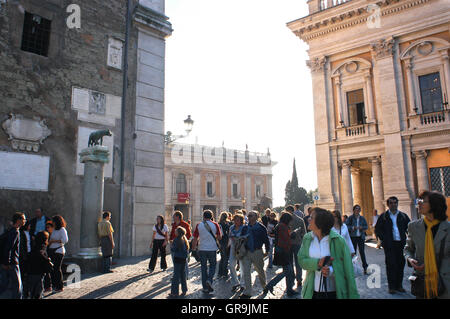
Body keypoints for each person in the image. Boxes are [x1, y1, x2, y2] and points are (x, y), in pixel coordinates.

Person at [298, 207, 359, 299]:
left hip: (334, 291)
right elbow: (301, 260)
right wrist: (318, 263)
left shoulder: (338, 241)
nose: (308, 219)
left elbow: (347, 268)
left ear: (320, 223)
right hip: (312, 291)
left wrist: (331, 271)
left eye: (311, 217)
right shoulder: (307, 238)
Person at [404, 191, 449, 299]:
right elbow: (408, 249)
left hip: (445, 282)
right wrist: (410, 259)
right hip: (422, 281)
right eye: (418, 201)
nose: (418, 203)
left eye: (422, 201)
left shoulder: (448, 228)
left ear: (434, 205)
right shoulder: (413, 227)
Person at [375, 196, 411, 294]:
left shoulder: (403, 216)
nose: (393, 204)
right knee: (391, 265)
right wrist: (384, 240)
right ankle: (392, 287)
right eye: (391, 203)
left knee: (400, 264)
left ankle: (399, 285)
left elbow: (410, 228)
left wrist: (409, 240)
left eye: (395, 202)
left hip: (401, 244)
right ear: (388, 204)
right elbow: (378, 230)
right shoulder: (384, 217)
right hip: (390, 245)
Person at [263, 212, 297, 296]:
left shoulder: (280, 225)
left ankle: (289, 290)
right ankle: (270, 285)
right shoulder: (282, 226)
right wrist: (292, 235)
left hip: (281, 250)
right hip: (284, 251)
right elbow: (285, 239)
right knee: (287, 271)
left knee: (288, 272)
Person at [240, 210, 270, 299]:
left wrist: (267, 251)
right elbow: (241, 239)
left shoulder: (261, 227)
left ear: (256, 217)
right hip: (247, 252)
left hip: (257, 251)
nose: (248, 217)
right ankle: (248, 291)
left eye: (251, 216)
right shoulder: (245, 228)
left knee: (260, 270)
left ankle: (264, 286)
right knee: (246, 272)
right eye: (248, 216)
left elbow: (266, 240)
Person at [192, 210, 222, 294]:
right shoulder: (215, 224)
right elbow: (220, 237)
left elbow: (195, 239)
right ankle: (209, 280)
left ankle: (205, 287)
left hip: (202, 249)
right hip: (212, 249)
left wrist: (193, 249)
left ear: (203, 216)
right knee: (213, 266)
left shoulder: (199, 225)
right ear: (211, 216)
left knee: (203, 267)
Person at [0, 212, 26, 299]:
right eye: (23, 219)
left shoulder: (10, 230)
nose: (25, 221)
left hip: (7, 262)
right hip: (12, 263)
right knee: (17, 286)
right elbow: (9, 247)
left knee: (4, 283)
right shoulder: (15, 232)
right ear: (18, 220)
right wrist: (7, 262)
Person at [285, 205, 306, 289]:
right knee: (298, 262)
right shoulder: (300, 219)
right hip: (298, 243)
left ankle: (291, 279)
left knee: (289, 262)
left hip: (288, 244)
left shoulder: (286, 221)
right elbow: (304, 232)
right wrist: (300, 238)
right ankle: (299, 279)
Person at [27, 231, 53, 299]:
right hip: (38, 273)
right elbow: (41, 256)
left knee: (31, 292)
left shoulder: (34, 246)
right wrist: (48, 260)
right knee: (38, 293)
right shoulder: (42, 247)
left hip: (31, 272)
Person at [47, 215, 68, 292]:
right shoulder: (54, 230)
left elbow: (65, 240)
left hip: (58, 250)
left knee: (57, 268)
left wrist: (54, 241)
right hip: (52, 250)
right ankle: (54, 284)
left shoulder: (62, 230)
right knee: (52, 269)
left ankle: (60, 286)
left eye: (54, 221)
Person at [345, 205, 369, 274]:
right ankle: (353, 267)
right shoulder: (350, 218)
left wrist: (362, 228)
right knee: (353, 253)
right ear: (354, 210)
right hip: (353, 237)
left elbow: (366, 226)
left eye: (359, 209)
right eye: (356, 209)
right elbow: (346, 226)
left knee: (362, 252)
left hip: (361, 237)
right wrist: (353, 228)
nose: (357, 210)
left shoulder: (362, 218)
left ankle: (365, 267)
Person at [228, 213, 247, 293]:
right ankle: (235, 282)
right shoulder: (231, 227)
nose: (236, 221)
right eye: (234, 220)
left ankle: (243, 284)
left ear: (241, 221)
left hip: (242, 248)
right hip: (233, 247)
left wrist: (240, 239)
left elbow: (247, 237)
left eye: (237, 220)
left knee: (243, 266)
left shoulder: (244, 228)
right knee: (231, 265)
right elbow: (229, 237)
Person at [169, 211, 192, 278]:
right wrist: (170, 241)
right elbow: (172, 234)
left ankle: (185, 275)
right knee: (175, 261)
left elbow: (189, 235)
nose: (173, 217)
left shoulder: (185, 224)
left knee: (184, 262)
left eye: (174, 216)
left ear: (178, 217)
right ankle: (176, 275)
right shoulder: (173, 225)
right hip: (174, 245)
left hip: (182, 246)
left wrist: (183, 241)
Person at [169, 226, 189, 298]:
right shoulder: (185, 239)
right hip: (183, 259)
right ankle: (184, 289)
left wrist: (171, 245)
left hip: (177, 259)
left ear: (178, 233)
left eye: (176, 231)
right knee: (183, 275)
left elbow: (173, 249)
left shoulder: (176, 240)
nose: (175, 232)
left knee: (176, 276)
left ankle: (174, 292)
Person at [19, 221, 32, 298]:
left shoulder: (29, 233)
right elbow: (22, 246)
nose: (30, 227)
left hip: (29, 253)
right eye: (29, 226)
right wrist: (24, 255)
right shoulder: (21, 233)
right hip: (24, 255)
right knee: (23, 272)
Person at [218, 212, 230, 279]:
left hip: (221, 242)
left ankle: (220, 272)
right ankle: (224, 272)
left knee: (222, 257)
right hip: (226, 241)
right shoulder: (227, 224)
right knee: (225, 258)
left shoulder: (219, 224)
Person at [43, 221, 54, 293]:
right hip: (48, 252)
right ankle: (48, 285)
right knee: (48, 270)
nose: (47, 229)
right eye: (46, 227)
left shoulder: (53, 235)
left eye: (48, 227)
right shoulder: (47, 235)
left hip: (52, 252)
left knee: (50, 270)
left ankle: (50, 285)